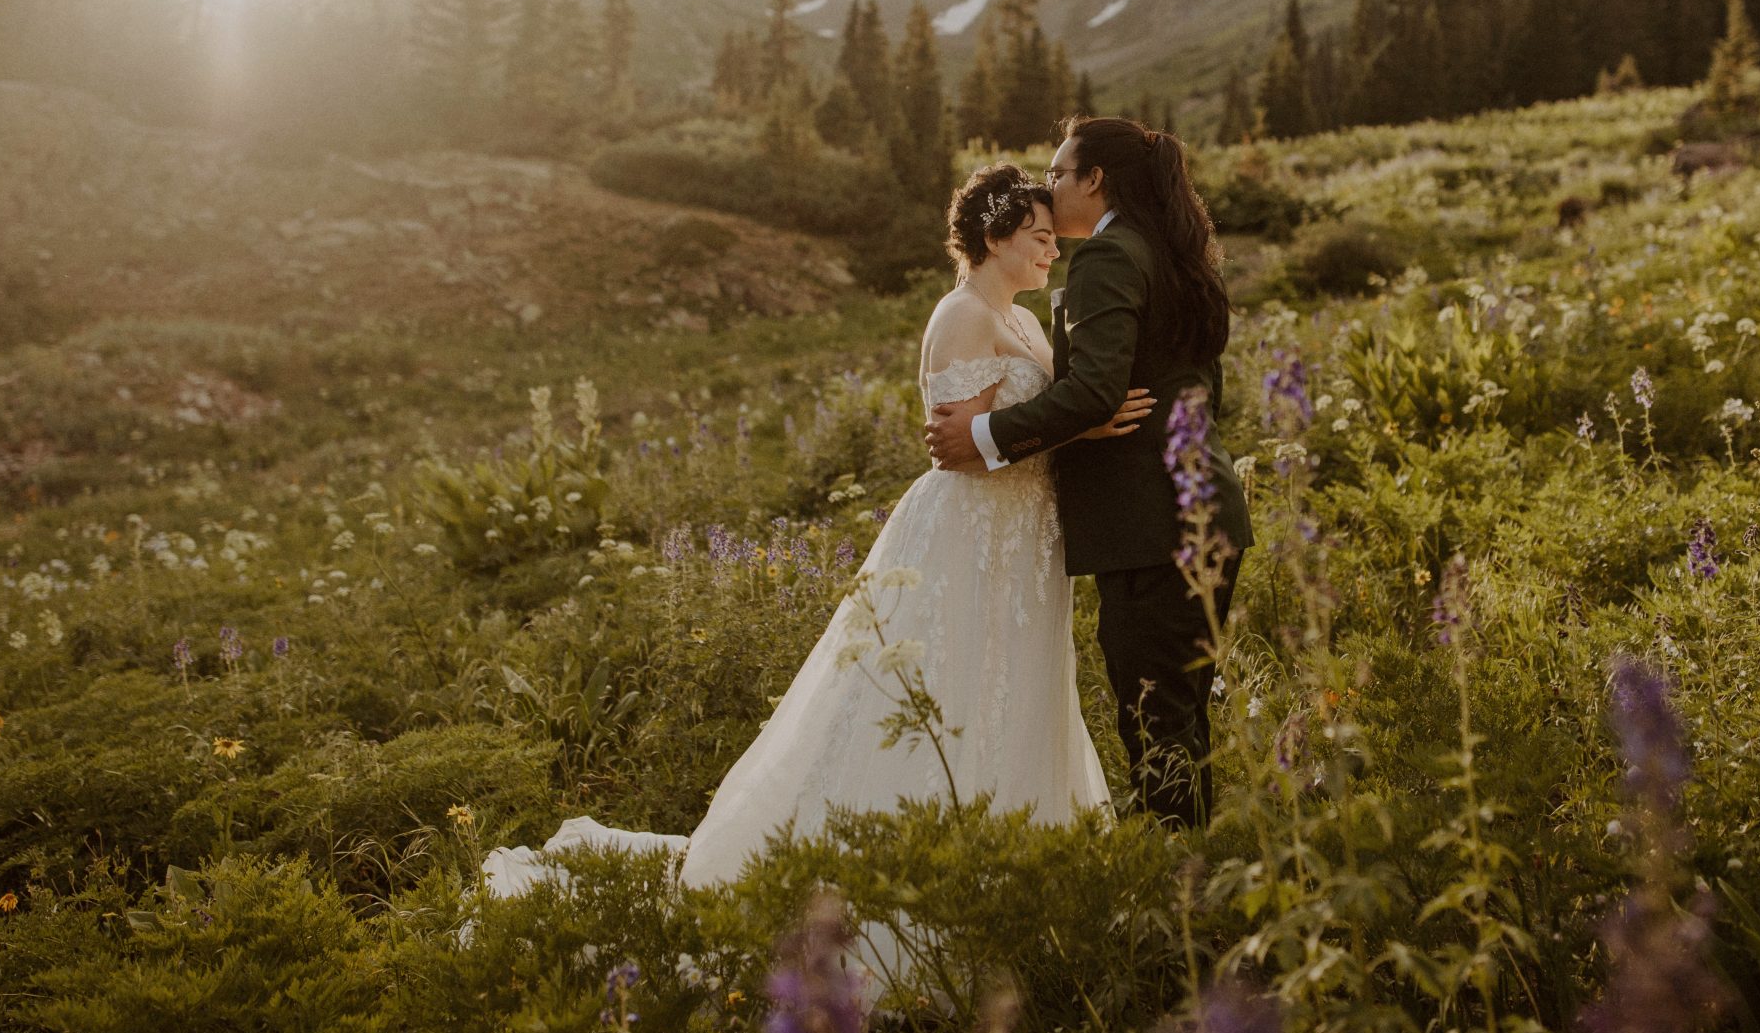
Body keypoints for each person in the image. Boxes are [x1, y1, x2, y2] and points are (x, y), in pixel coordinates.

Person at [485, 164, 1153, 903]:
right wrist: (1081, 422)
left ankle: (1018, 859)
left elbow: (1025, 424)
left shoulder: (1024, 319)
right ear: (994, 238)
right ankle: (920, 875)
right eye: (1035, 236)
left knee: (1017, 693)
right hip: (974, 530)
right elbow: (968, 453)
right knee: (952, 691)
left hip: (1027, 539)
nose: (1049, 249)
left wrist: (1083, 420)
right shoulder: (960, 317)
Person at [923, 115, 1252, 829]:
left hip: (1151, 528)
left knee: (1157, 723)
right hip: (1203, 513)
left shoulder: (1109, 256)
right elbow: (1200, 391)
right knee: (1183, 719)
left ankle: (1183, 893)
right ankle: (1198, 869)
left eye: (1057, 174)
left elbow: (1099, 389)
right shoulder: (1169, 251)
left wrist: (980, 434)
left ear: (1094, 179)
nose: (1048, 188)